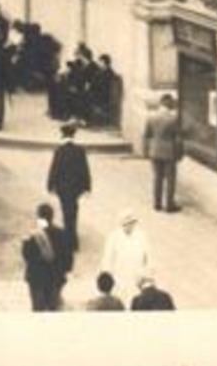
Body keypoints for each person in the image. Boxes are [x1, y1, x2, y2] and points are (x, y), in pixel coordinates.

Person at [46, 123, 92, 254]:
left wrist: (50, 185)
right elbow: (85, 169)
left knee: (66, 212)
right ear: (73, 135)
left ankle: (69, 239)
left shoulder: (59, 151)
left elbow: (54, 169)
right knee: (73, 211)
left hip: (63, 188)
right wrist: (87, 187)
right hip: (75, 188)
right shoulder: (80, 151)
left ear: (63, 135)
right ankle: (72, 239)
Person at [21, 203, 70, 312]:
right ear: (52, 216)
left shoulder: (32, 235)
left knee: (38, 311)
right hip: (55, 279)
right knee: (54, 311)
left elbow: (26, 256)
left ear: (38, 216)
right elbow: (67, 260)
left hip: (36, 279)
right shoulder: (62, 234)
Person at [99, 209, 152, 303]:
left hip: (136, 275)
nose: (129, 226)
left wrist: (146, 273)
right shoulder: (113, 237)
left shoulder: (141, 235)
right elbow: (107, 257)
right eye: (126, 224)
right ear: (121, 224)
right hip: (119, 275)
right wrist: (108, 273)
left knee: (135, 300)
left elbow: (148, 256)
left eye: (132, 223)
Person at [142, 93, 184, 212]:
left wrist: (145, 151)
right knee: (170, 178)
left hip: (155, 151)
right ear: (168, 103)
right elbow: (178, 138)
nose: (173, 105)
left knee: (157, 177)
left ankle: (157, 203)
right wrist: (180, 153)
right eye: (172, 103)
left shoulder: (151, 117)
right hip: (169, 151)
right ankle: (169, 205)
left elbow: (146, 136)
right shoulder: (173, 118)